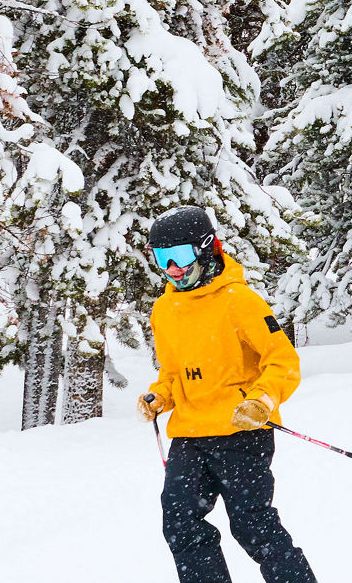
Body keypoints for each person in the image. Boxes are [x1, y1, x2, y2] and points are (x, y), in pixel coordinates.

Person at [133, 206, 317, 583]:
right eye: (161, 258)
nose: (172, 269)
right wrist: (159, 397)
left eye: (180, 256)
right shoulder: (164, 310)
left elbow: (283, 360)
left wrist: (262, 400)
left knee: (253, 528)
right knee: (180, 523)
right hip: (189, 436)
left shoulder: (240, 301)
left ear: (206, 249)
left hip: (241, 432)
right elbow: (172, 372)